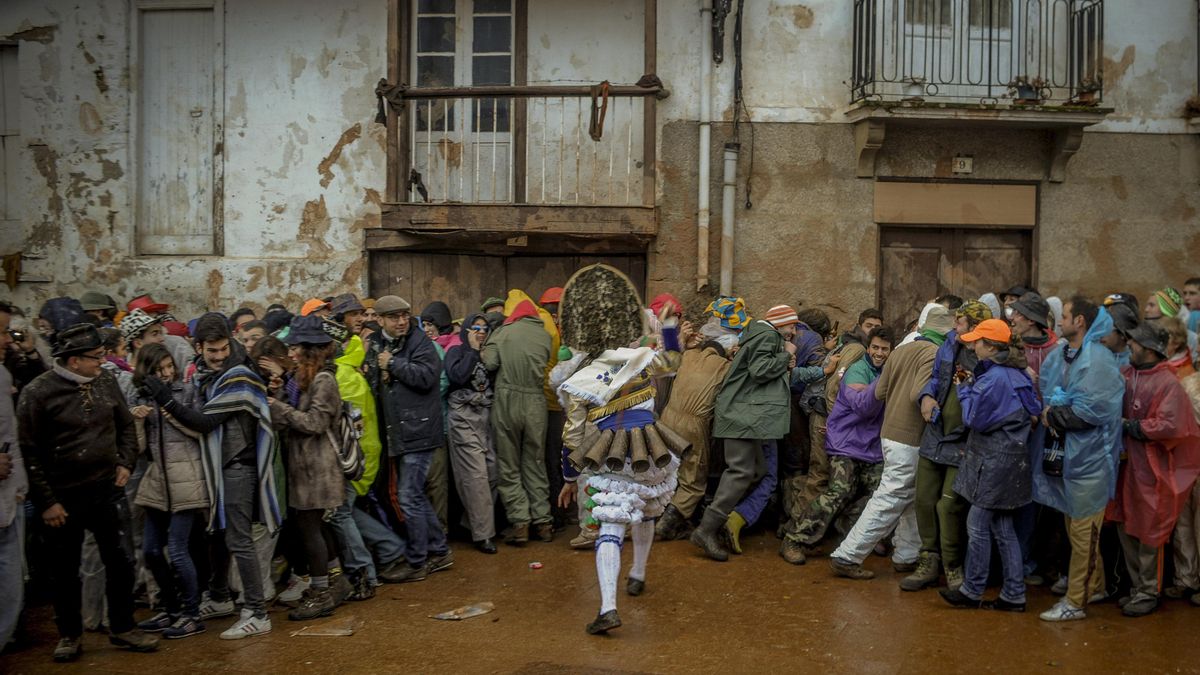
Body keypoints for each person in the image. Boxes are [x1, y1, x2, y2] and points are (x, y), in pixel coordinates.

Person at [554, 264, 684, 635]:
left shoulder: (579, 378)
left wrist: (569, 477)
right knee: (644, 509)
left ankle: (609, 606)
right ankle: (638, 572)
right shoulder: (638, 358)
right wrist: (670, 326)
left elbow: (573, 436)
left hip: (611, 450)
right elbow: (673, 362)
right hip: (652, 444)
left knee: (611, 522)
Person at [17, 323, 159, 661]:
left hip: (106, 490)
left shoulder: (106, 381)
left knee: (121, 561)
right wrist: (47, 501)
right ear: (73, 360)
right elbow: (29, 451)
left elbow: (125, 424)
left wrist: (125, 461)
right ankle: (69, 633)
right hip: (62, 498)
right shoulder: (38, 392)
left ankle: (123, 626)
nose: (103, 361)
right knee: (65, 569)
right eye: (96, 357)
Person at [145, 313, 281, 639]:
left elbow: (204, 423)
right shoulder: (206, 374)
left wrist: (163, 398)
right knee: (218, 536)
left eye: (222, 349)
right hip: (222, 468)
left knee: (239, 540)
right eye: (211, 351)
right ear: (199, 347)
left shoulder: (238, 376)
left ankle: (257, 613)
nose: (218, 356)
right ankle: (220, 597)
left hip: (239, 468)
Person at [828, 306, 950, 579]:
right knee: (889, 497)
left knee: (911, 496)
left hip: (889, 433)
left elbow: (879, 391)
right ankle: (847, 555)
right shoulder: (933, 354)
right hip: (910, 437)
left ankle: (906, 555)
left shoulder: (900, 352)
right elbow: (921, 392)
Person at [1033, 297, 1124, 622]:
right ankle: (1094, 584)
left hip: (1091, 462)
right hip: (1072, 459)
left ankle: (1076, 601)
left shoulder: (1097, 360)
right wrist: (1054, 409)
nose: (1059, 321)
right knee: (1077, 528)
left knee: (1084, 533)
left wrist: (1053, 414)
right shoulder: (1064, 354)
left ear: (1081, 321)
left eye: (1066, 316)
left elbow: (1092, 412)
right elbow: (1050, 389)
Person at [938, 319, 1040, 612]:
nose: (972, 345)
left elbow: (974, 419)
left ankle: (972, 589)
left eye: (978, 341)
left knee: (978, 523)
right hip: (1011, 459)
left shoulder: (996, 379)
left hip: (994, 460)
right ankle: (1014, 594)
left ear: (992, 346)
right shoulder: (1016, 373)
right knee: (1003, 526)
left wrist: (964, 388)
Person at [1105, 323, 1200, 617]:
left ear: (1149, 349)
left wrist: (1132, 426)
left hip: (1153, 469)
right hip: (1126, 466)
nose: (1129, 345)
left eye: (1135, 342)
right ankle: (1137, 588)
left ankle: (1149, 590)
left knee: (1149, 532)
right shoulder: (1128, 374)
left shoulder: (1168, 383)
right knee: (1125, 525)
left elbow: (1172, 424)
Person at [781, 327, 894, 564]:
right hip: (846, 443)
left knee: (881, 493)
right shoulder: (858, 371)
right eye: (875, 347)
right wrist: (885, 382)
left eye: (884, 349)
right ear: (868, 347)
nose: (879, 353)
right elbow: (862, 405)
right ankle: (795, 538)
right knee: (838, 490)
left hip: (872, 447)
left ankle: (849, 525)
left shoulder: (888, 371)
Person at [691, 305, 792, 562]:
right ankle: (706, 529)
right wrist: (785, 356)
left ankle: (726, 521)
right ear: (780, 324)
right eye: (792, 325)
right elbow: (760, 370)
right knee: (741, 471)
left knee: (757, 469)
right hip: (740, 415)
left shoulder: (760, 335)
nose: (794, 331)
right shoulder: (769, 337)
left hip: (745, 415)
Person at [267, 316, 349, 620]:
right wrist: (279, 395)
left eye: (295, 347)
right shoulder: (305, 377)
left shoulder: (325, 380)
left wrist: (281, 408)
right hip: (305, 468)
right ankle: (336, 581)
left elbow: (315, 422)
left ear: (309, 349)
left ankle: (320, 591)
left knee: (310, 528)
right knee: (315, 526)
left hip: (318, 468)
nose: (290, 352)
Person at [905, 301, 991, 591]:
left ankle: (953, 567)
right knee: (924, 499)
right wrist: (926, 397)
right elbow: (935, 379)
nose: (955, 327)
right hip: (936, 434)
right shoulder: (949, 345)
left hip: (965, 442)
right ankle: (928, 560)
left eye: (962, 322)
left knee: (949, 506)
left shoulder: (987, 358)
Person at [364, 296, 449, 583]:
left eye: (404, 315)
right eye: (394, 317)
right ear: (380, 319)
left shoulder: (419, 342)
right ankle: (438, 551)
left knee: (409, 496)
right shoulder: (375, 342)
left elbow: (428, 376)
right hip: (398, 432)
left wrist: (394, 364)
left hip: (420, 431)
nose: (401, 321)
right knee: (413, 495)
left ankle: (417, 561)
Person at [129, 343, 210, 639]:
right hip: (158, 480)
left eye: (168, 367)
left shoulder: (185, 392)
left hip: (187, 478)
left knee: (177, 549)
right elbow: (139, 449)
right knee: (151, 550)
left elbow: (199, 428)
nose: (166, 373)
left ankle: (192, 613)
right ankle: (172, 607)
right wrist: (137, 419)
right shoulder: (141, 396)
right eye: (158, 369)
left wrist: (167, 406)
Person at [481, 293, 553, 545]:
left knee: (509, 464)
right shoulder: (544, 335)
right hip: (536, 402)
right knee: (535, 460)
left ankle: (520, 523)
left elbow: (490, 364)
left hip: (507, 398)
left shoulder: (503, 332)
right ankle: (543, 522)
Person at [655, 331, 734, 541]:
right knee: (693, 477)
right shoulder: (724, 366)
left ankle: (658, 513)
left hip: (667, 417)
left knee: (667, 470)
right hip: (693, 424)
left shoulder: (688, 356)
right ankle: (669, 522)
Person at [444, 313, 499, 553]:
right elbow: (458, 376)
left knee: (492, 472)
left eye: (484, 328)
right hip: (463, 417)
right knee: (475, 477)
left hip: (485, 417)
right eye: (475, 327)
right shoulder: (456, 352)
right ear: (466, 330)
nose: (480, 332)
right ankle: (483, 535)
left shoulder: (489, 355)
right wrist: (473, 351)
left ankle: (471, 524)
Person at [0, 301, 28, 650]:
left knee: (10, 582)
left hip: (9, 495)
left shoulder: (4, 374)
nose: (8, 339)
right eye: (3, 331)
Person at [1010, 292, 1058, 381]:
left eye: (1018, 314)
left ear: (1031, 321)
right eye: (1013, 312)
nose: (1011, 317)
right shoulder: (1009, 345)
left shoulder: (1055, 353)